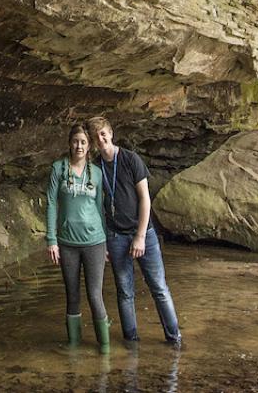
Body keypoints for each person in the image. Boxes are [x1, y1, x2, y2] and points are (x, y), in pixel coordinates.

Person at [86, 116, 182, 345]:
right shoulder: (96, 168)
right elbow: (95, 206)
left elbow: (145, 199)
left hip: (144, 234)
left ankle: (174, 338)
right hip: (115, 236)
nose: (101, 139)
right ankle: (131, 342)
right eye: (95, 137)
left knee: (158, 287)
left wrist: (139, 237)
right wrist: (102, 242)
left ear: (111, 133)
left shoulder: (130, 159)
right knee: (125, 291)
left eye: (103, 133)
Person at [45, 124, 110, 352]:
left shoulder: (98, 173)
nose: (79, 146)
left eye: (83, 142)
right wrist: (51, 240)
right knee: (72, 295)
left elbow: (101, 209)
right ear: (69, 143)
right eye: (75, 141)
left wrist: (107, 246)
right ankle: (74, 345)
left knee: (95, 295)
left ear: (89, 145)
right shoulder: (58, 169)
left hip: (95, 242)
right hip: (67, 243)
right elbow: (52, 203)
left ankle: (105, 347)